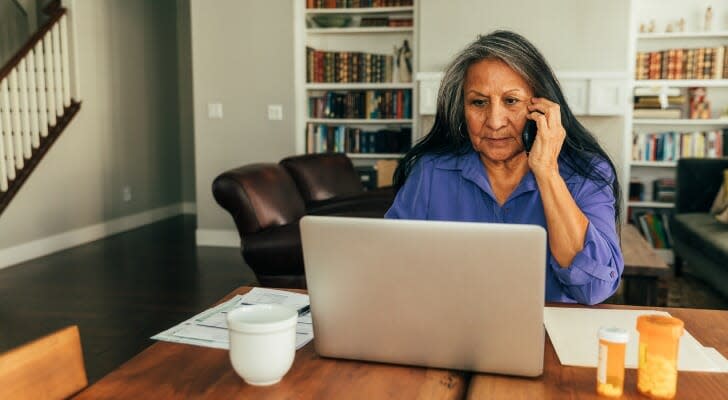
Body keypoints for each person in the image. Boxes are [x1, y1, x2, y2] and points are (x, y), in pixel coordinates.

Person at [385, 30, 623, 305]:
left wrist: (547, 173)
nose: (495, 121)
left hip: (546, 337)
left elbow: (595, 289)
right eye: (478, 102)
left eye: (511, 101)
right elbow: (392, 268)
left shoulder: (586, 174)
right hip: (451, 334)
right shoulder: (430, 172)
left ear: (542, 107)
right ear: (462, 110)